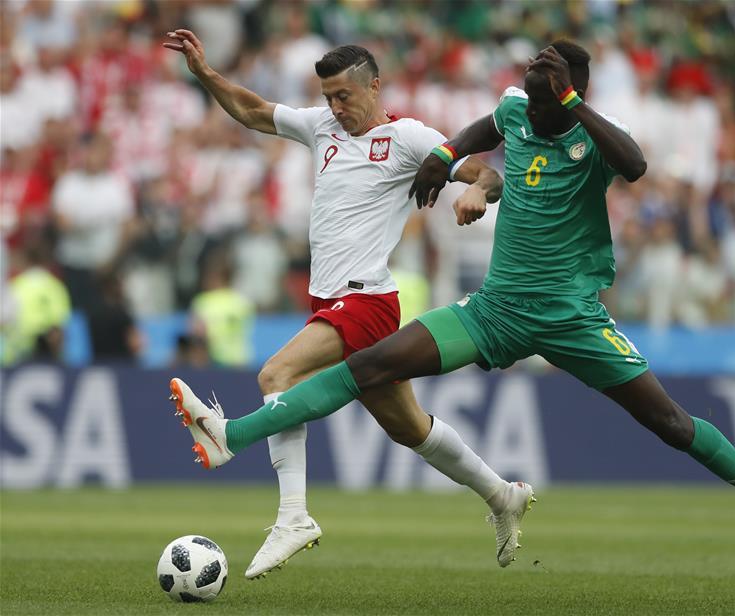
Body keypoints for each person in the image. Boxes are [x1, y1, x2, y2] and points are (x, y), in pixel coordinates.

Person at [171, 41, 735, 564]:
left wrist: (563, 108)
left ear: (571, 98)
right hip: (494, 310)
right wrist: (451, 161)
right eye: (531, 101)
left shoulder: (593, 137)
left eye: (548, 105)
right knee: (370, 366)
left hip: (573, 318)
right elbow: (483, 129)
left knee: (671, 426)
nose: (532, 116)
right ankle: (234, 436)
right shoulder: (519, 109)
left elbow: (634, 166)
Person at [162, 30, 532, 578]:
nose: (335, 107)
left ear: (374, 86)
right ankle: (501, 494)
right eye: (328, 96)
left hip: (367, 299)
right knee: (410, 428)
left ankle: (293, 516)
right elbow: (254, 111)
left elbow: (483, 170)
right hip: (331, 300)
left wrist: (477, 190)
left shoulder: (407, 137)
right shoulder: (322, 128)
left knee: (276, 375)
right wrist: (206, 74)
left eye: (344, 96)